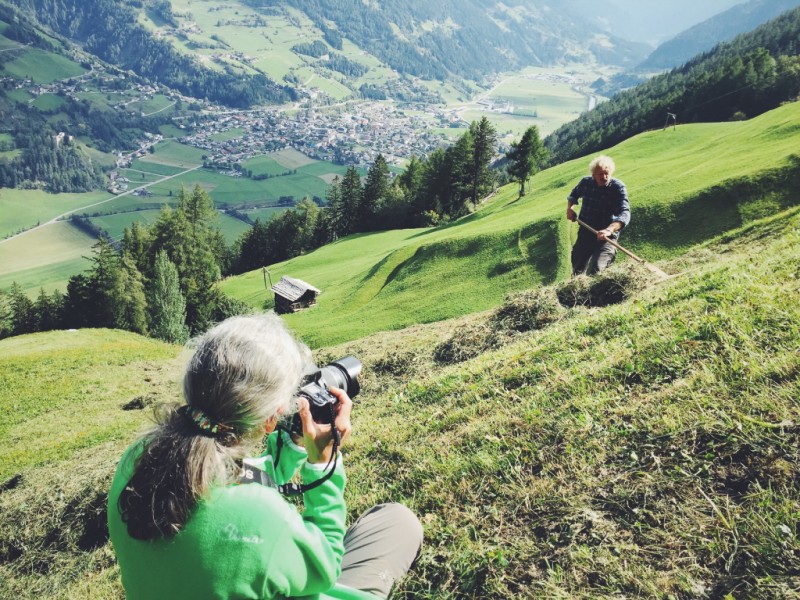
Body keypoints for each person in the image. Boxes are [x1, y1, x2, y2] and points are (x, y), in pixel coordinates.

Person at [107, 313, 423, 600]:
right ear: (272, 419)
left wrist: (295, 443)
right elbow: (326, 566)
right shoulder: (260, 515)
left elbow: (234, 479)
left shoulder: (137, 460)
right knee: (398, 522)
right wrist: (322, 462)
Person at [566, 155, 631, 275]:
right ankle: (577, 286)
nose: (604, 177)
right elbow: (574, 194)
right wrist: (570, 209)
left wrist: (609, 230)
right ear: (593, 175)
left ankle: (601, 286)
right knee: (577, 265)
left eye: (607, 173)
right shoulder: (585, 183)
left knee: (597, 269)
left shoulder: (617, 187)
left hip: (606, 236)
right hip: (586, 231)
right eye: (600, 174)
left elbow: (625, 213)